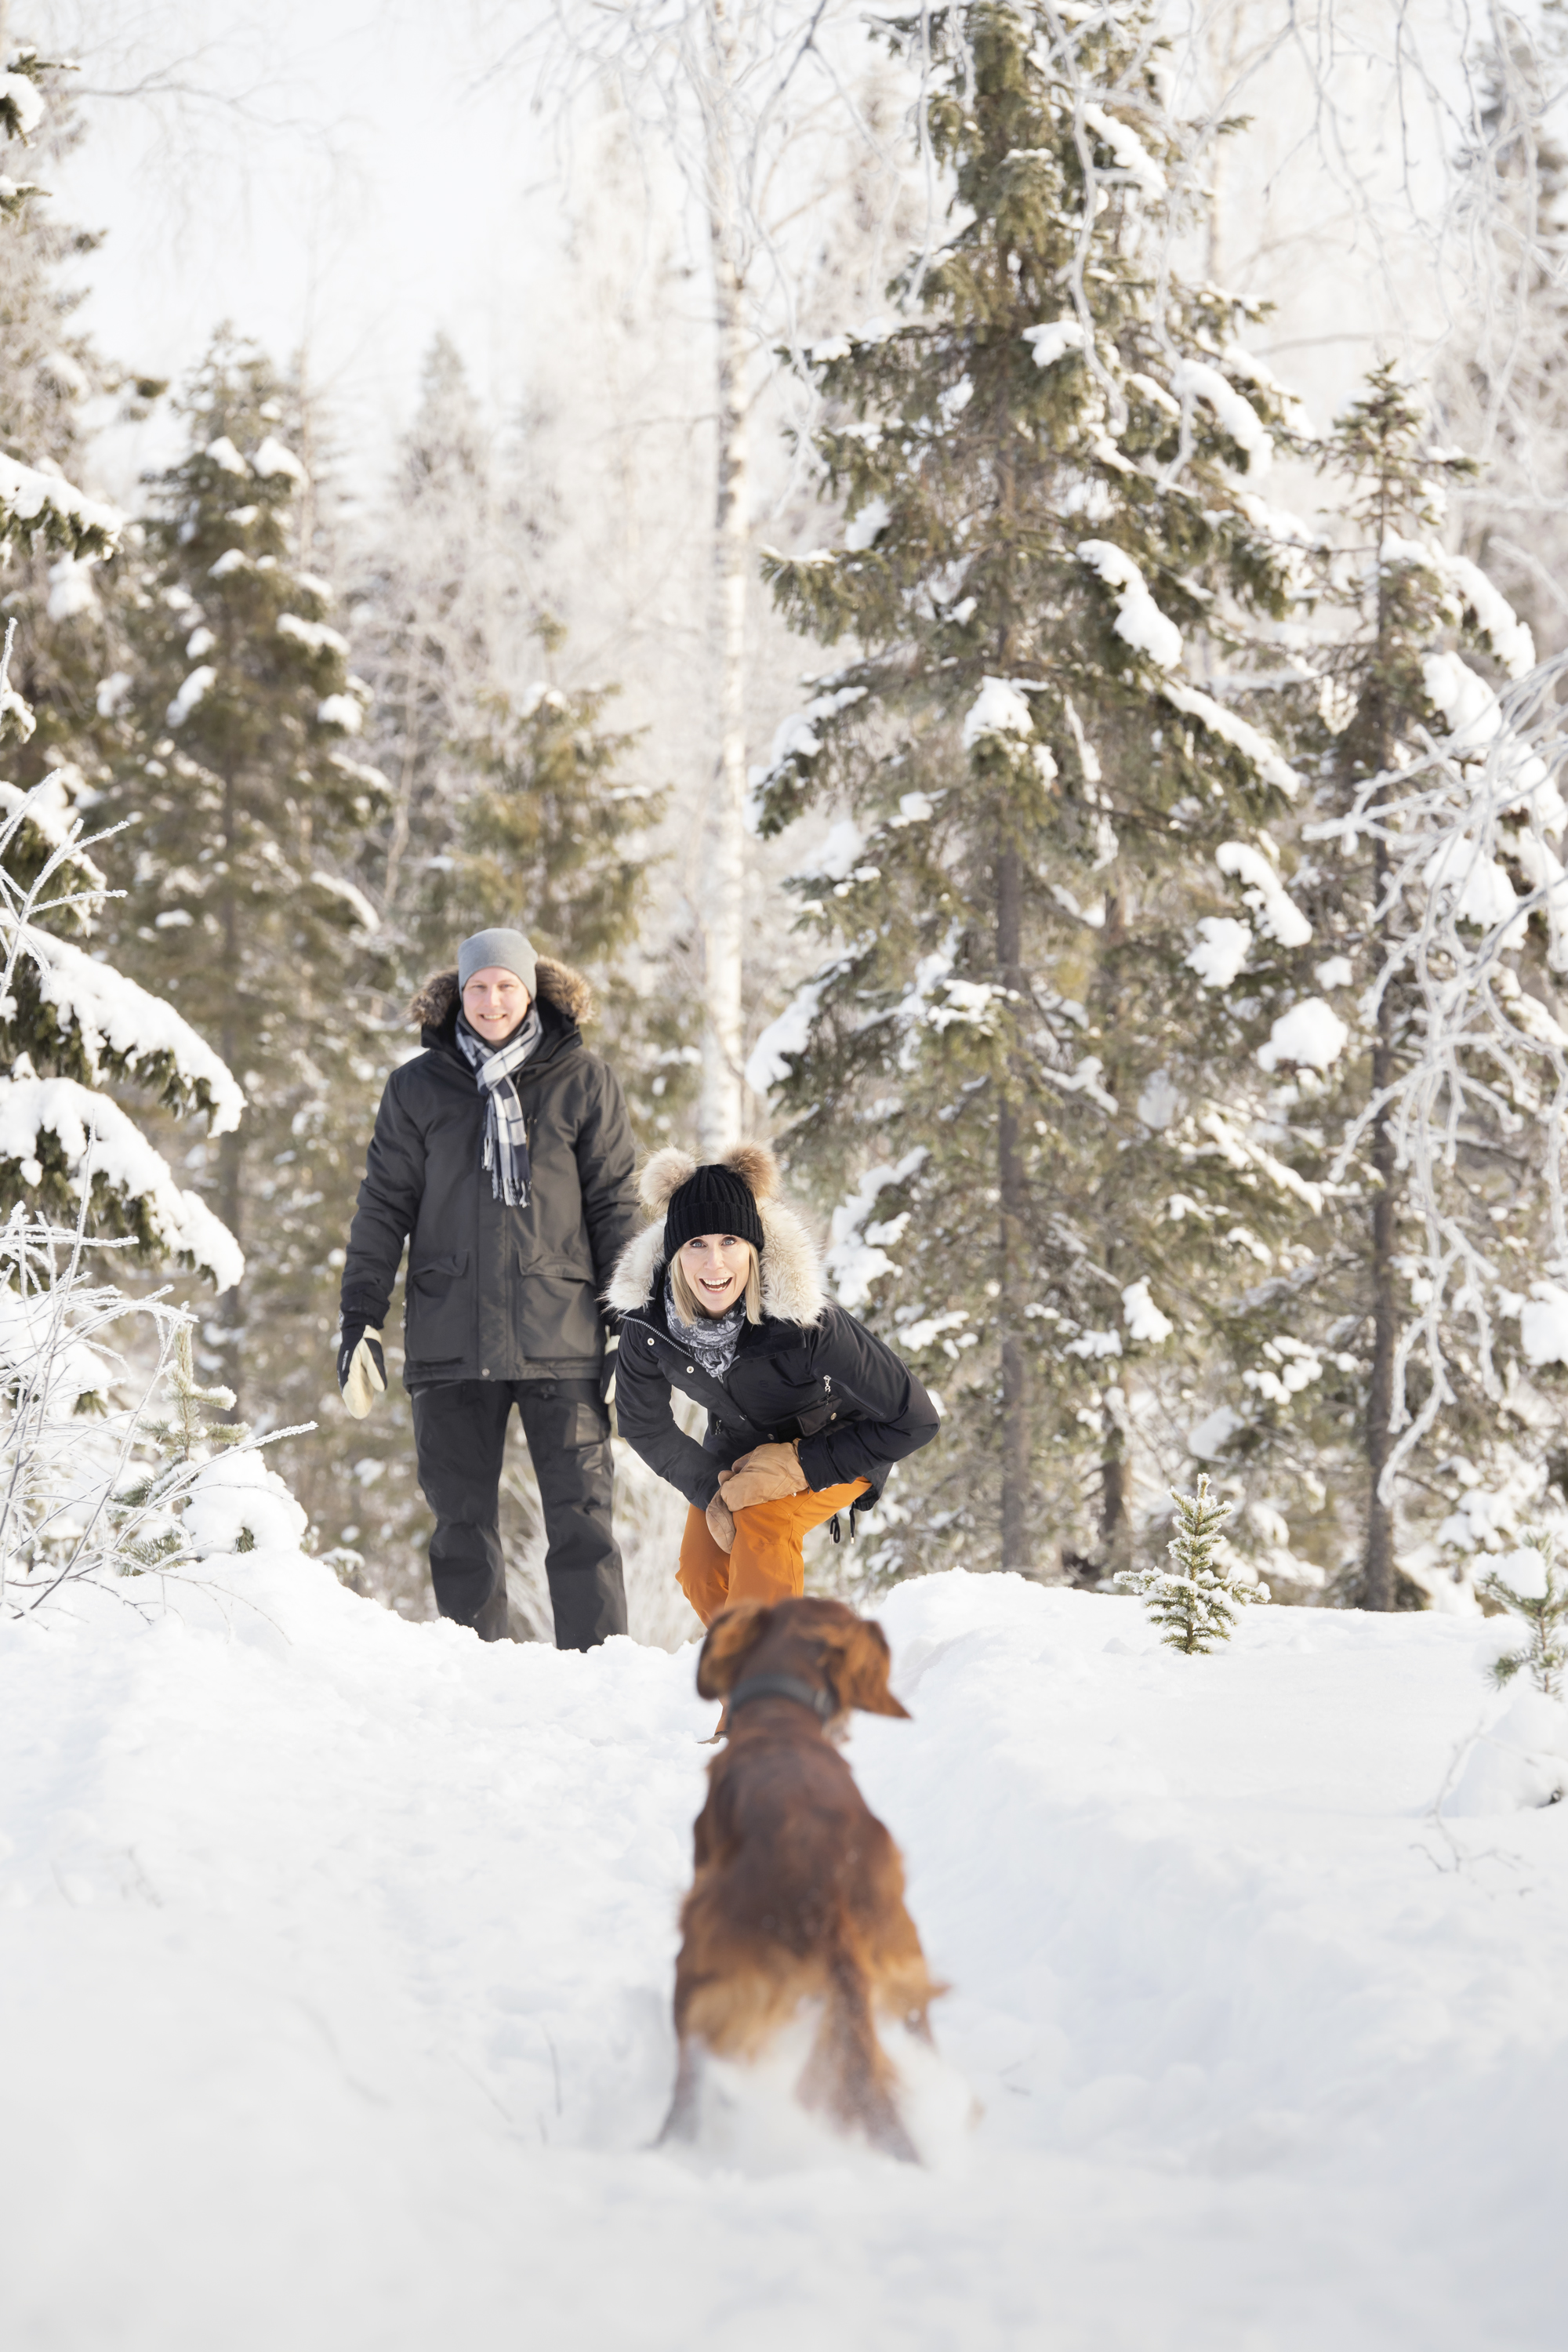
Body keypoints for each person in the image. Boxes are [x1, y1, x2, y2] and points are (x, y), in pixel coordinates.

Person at [337, 927, 639, 1648]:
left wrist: (631, 1325)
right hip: (451, 1338)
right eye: (478, 987)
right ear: (458, 993)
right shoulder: (416, 1088)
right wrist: (360, 1320)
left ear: (530, 992)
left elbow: (614, 1207)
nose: (491, 1000)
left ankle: (600, 1678)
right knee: (461, 1528)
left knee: (584, 1522)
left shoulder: (583, 1080)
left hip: (563, 1336)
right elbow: (383, 1208)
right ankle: (478, 1684)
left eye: (506, 986)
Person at [605, 1140, 939, 1625]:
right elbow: (643, 1423)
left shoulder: (804, 1321)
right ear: (674, 1253)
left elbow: (917, 1419)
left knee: (764, 1523)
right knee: (703, 1572)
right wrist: (713, 1486)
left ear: (753, 1248)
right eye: (696, 1244)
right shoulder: (649, 1322)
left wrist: (801, 1464)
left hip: (837, 1441)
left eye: (730, 1242)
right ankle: (758, 1662)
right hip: (738, 1448)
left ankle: (770, 1672)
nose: (714, 1264)